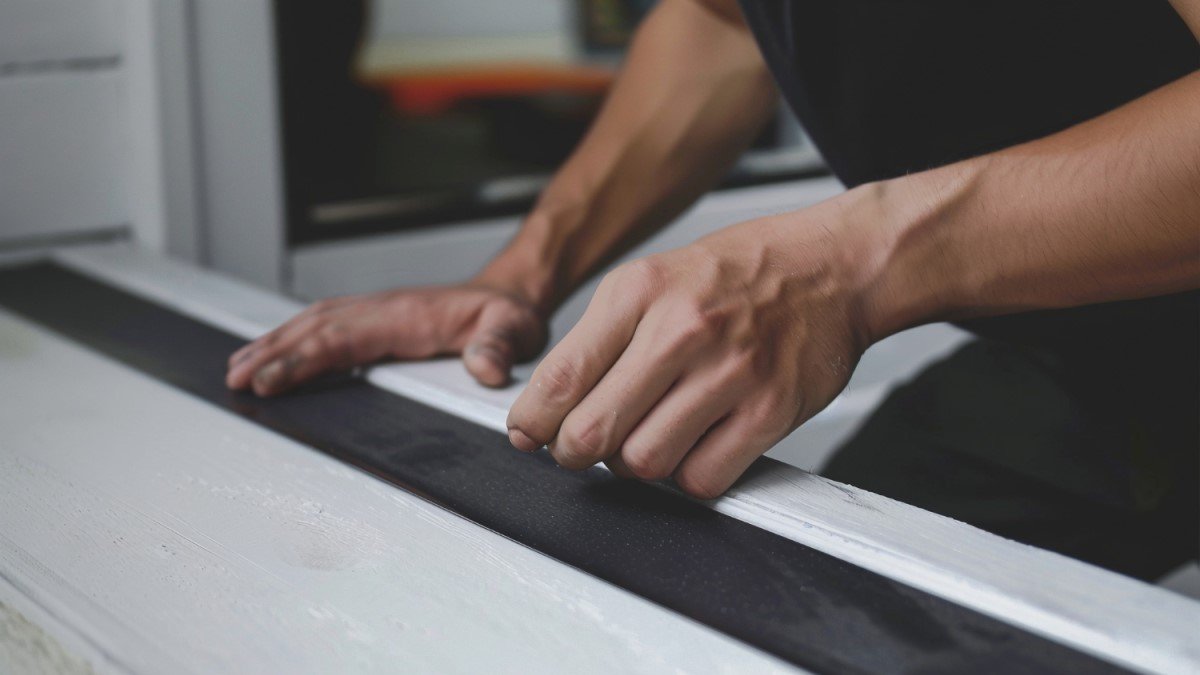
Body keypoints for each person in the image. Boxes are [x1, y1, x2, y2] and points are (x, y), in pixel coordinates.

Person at [227, 0, 1200, 580]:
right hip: (1092, 372)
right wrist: (521, 276)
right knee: (817, 605)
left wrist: (855, 262)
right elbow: (723, 25)